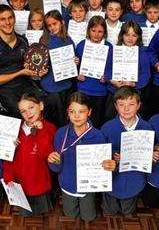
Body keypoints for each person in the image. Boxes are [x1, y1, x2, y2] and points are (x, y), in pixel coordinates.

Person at [48, 92, 116, 222]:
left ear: (89, 112)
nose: (76, 116)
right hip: (67, 185)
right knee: (70, 215)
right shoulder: (61, 134)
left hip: (88, 188)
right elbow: (56, 168)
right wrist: (53, 161)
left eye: (81, 111)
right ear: (67, 113)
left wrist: (110, 166)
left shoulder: (98, 136)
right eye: (72, 111)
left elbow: (105, 168)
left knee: (88, 217)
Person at [0, 5, 45, 117]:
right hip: (4, 88)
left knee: (46, 103)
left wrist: (37, 71)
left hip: (25, 84)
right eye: (3, 19)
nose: (7, 22)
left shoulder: (23, 40)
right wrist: (20, 73)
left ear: (14, 19)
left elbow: (28, 67)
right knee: (21, 112)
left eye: (10, 18)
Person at [101, 87, 154, 215]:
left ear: (138, 105)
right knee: (109, 211)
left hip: (134, 181)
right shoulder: (107, 128)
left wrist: (153, 154)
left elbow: (149, 153)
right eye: (121, 105)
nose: (126, 109)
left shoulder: (147, 127)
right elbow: (100, 155)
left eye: (131, 104)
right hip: (112, 182)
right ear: (115, 106)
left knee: (128, 211)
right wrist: (113, 158)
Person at [3, 93, 56, 216]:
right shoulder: (15, 129)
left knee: (42, 212)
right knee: (26, 213)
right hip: (21, 183)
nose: (28, 113)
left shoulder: (49, 128)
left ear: (41, 105)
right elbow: (7, 157)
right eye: (23, 111)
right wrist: (8, 175)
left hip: (40, 181)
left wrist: (41, 131)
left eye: (31, 107)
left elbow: (46, 153)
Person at [104, 21, 151, 121]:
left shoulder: (142, 53)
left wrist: (134, 84)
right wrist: (112, 80)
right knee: (110, 119)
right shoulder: (114, 50)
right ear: (122, 35)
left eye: (134, 35)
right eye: (127, 35)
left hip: (133, 94)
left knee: (132, 120)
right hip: (114, 92)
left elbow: (146, 75)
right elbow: (106, 70)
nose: (130, 38)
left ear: (139, 37)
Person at [39, 10, 77, 127]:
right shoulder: (44, 41)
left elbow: (72, 65)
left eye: (54, 24)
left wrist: (76, 61)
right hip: (50, 86)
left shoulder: (69, 41)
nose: (52, 28)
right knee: (53, 120)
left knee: (65, 119)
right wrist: (42, 69)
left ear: (62, 22)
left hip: (66, 85)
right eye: (49, 25)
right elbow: (39, 65)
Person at [76, 16, 113, 128]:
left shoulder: (109, 47)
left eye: (100, 31)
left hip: (100, 91)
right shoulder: (82, 45)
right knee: (81, 119)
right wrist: (77, 72)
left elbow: (111, 68)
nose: (96, 34)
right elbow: (75, 67)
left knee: (96, 121)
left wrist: (106, 77)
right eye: (93, 31)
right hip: (83, 88)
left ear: (105, 32)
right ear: (88, 31)